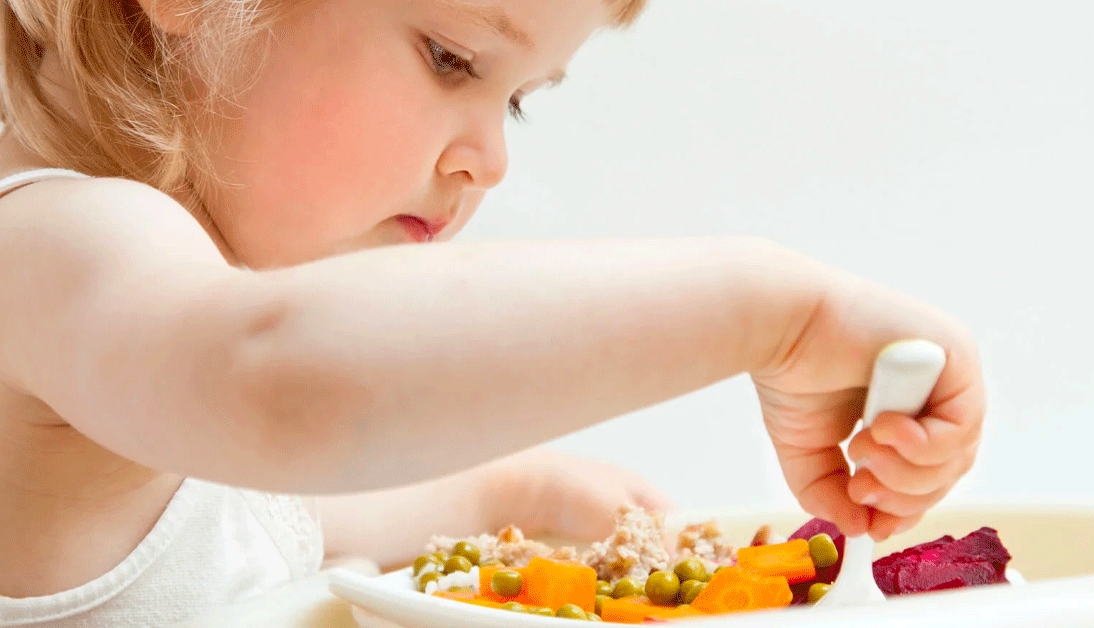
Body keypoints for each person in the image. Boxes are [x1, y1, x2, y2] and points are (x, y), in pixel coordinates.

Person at [0, 0, 984, 625]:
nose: (491, 159)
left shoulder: (142, 359)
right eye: (453, 59)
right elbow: (279, 386)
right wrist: (771, 312)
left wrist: (512, 494)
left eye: (517, 102)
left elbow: (258, 513)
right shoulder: (48, 242)